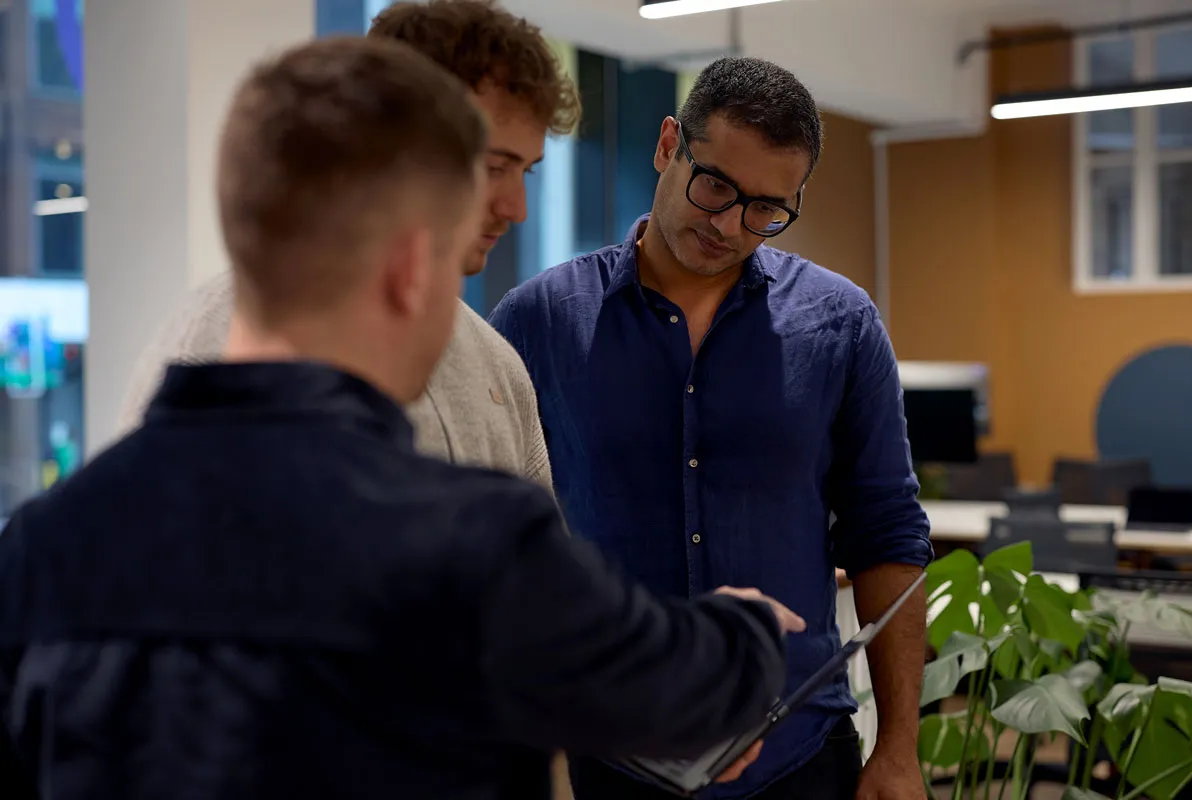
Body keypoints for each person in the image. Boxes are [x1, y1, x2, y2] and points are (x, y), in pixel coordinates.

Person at [0, 37, 806, 800]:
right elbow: (662, 684)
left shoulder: (43, 547)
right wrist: (746, 632)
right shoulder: (470, 544)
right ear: (411, 267)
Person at [489, 57, 934, 800]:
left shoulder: (840, 324)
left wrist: (897, 748)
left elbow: (886, 532)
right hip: (608, 753)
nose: (729, 225)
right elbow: (497, 543)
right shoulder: (540, 321)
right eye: (716, 187)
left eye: (767, 208)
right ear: (669, 145)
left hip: (797, 752)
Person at [117, 0, 577, 495]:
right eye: (493, 167)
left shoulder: (498, 366)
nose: (516, 208)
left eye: (525, 171)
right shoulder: (219, 341)